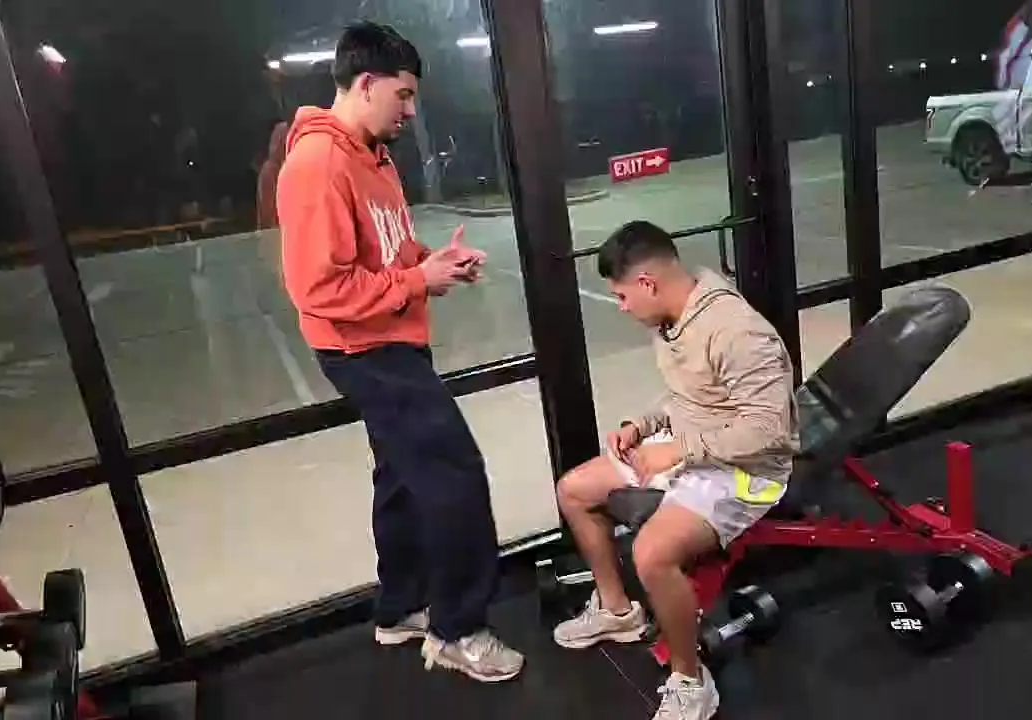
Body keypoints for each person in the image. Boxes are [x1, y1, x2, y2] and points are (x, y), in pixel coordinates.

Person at [274, 22, 524, 683]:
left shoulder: (373, 156)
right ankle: (459, 629)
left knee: (403, 476)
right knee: (454, 475)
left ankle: (401, 607)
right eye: (403, 95)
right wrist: (416, 282)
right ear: (365, 84)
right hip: (365, 348)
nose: (410, 112)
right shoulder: (317, 165)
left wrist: (432, 262)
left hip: (393, 338)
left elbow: (388, 251)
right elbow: (320, 289)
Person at [551, 221, 799, 720]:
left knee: (652, 554)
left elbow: (769, 431)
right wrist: (643, 425)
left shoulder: (737, 331)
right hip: (691, 450)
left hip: (745, 472)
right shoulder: (674, 317)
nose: (622, 308)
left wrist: (680, 451)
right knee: (574, 490)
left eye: (622, 296)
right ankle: (617, 611)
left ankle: (691, 681)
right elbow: (691, 395)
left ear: (648, 283)